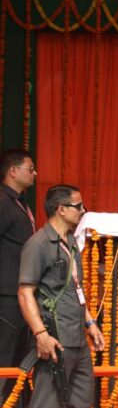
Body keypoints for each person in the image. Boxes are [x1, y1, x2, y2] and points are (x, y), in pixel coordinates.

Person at [17, 184, 104, 408]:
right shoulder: (38, 244)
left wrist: (90, 322)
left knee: (81, 400)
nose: (83, 210)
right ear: (61, 209)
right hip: (54, 335)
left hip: (77, 335)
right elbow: (25, 293)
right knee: (47, 406)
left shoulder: (71, 241)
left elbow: (75, 288)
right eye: (78, 206)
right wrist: (40, 334)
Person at [1, 149, 37, 373]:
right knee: (4, 353)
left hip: (19, 291)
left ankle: (13, 396)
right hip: (5, 294)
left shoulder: (19, 202)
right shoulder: (3, 201)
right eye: (30, 169)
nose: (35, 173)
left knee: (18, 354)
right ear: (13, 171)